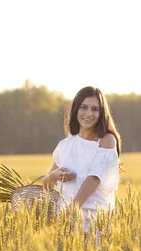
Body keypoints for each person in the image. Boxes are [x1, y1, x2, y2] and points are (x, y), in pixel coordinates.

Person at [42, 86, 122, 231]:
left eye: (95, 109)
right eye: (84, 107)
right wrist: (54, 176)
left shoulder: (107, 140)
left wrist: (69, 212)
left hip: (94, 222)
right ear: (76, 110)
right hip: (65, 224)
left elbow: (94, 179)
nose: (88, 113)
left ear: (102, 113)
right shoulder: (65, 145)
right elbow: (46, 184)